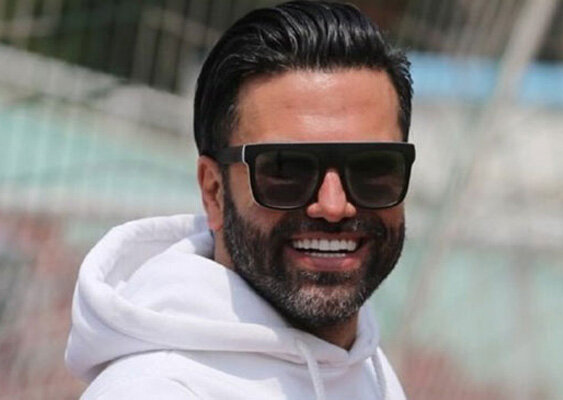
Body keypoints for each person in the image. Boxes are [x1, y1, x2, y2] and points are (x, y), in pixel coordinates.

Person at [65, 1, 415, 399]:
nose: (334, 206)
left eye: (372, 166)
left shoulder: (365, 366)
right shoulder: (158, 390)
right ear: (214, 192)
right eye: (285, 170)